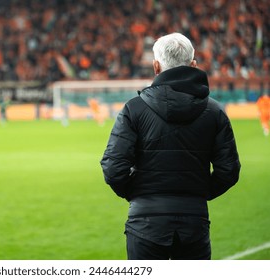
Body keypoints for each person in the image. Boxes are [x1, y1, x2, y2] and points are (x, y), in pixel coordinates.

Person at [100, 33, 241, 260]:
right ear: (193, 65)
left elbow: (113, 168)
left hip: (144, 222)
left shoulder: (133, 109)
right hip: (194, 222)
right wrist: (197, 194)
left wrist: (137, 194)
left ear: (156, 66)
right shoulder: (215, 112)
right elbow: (229, 171)